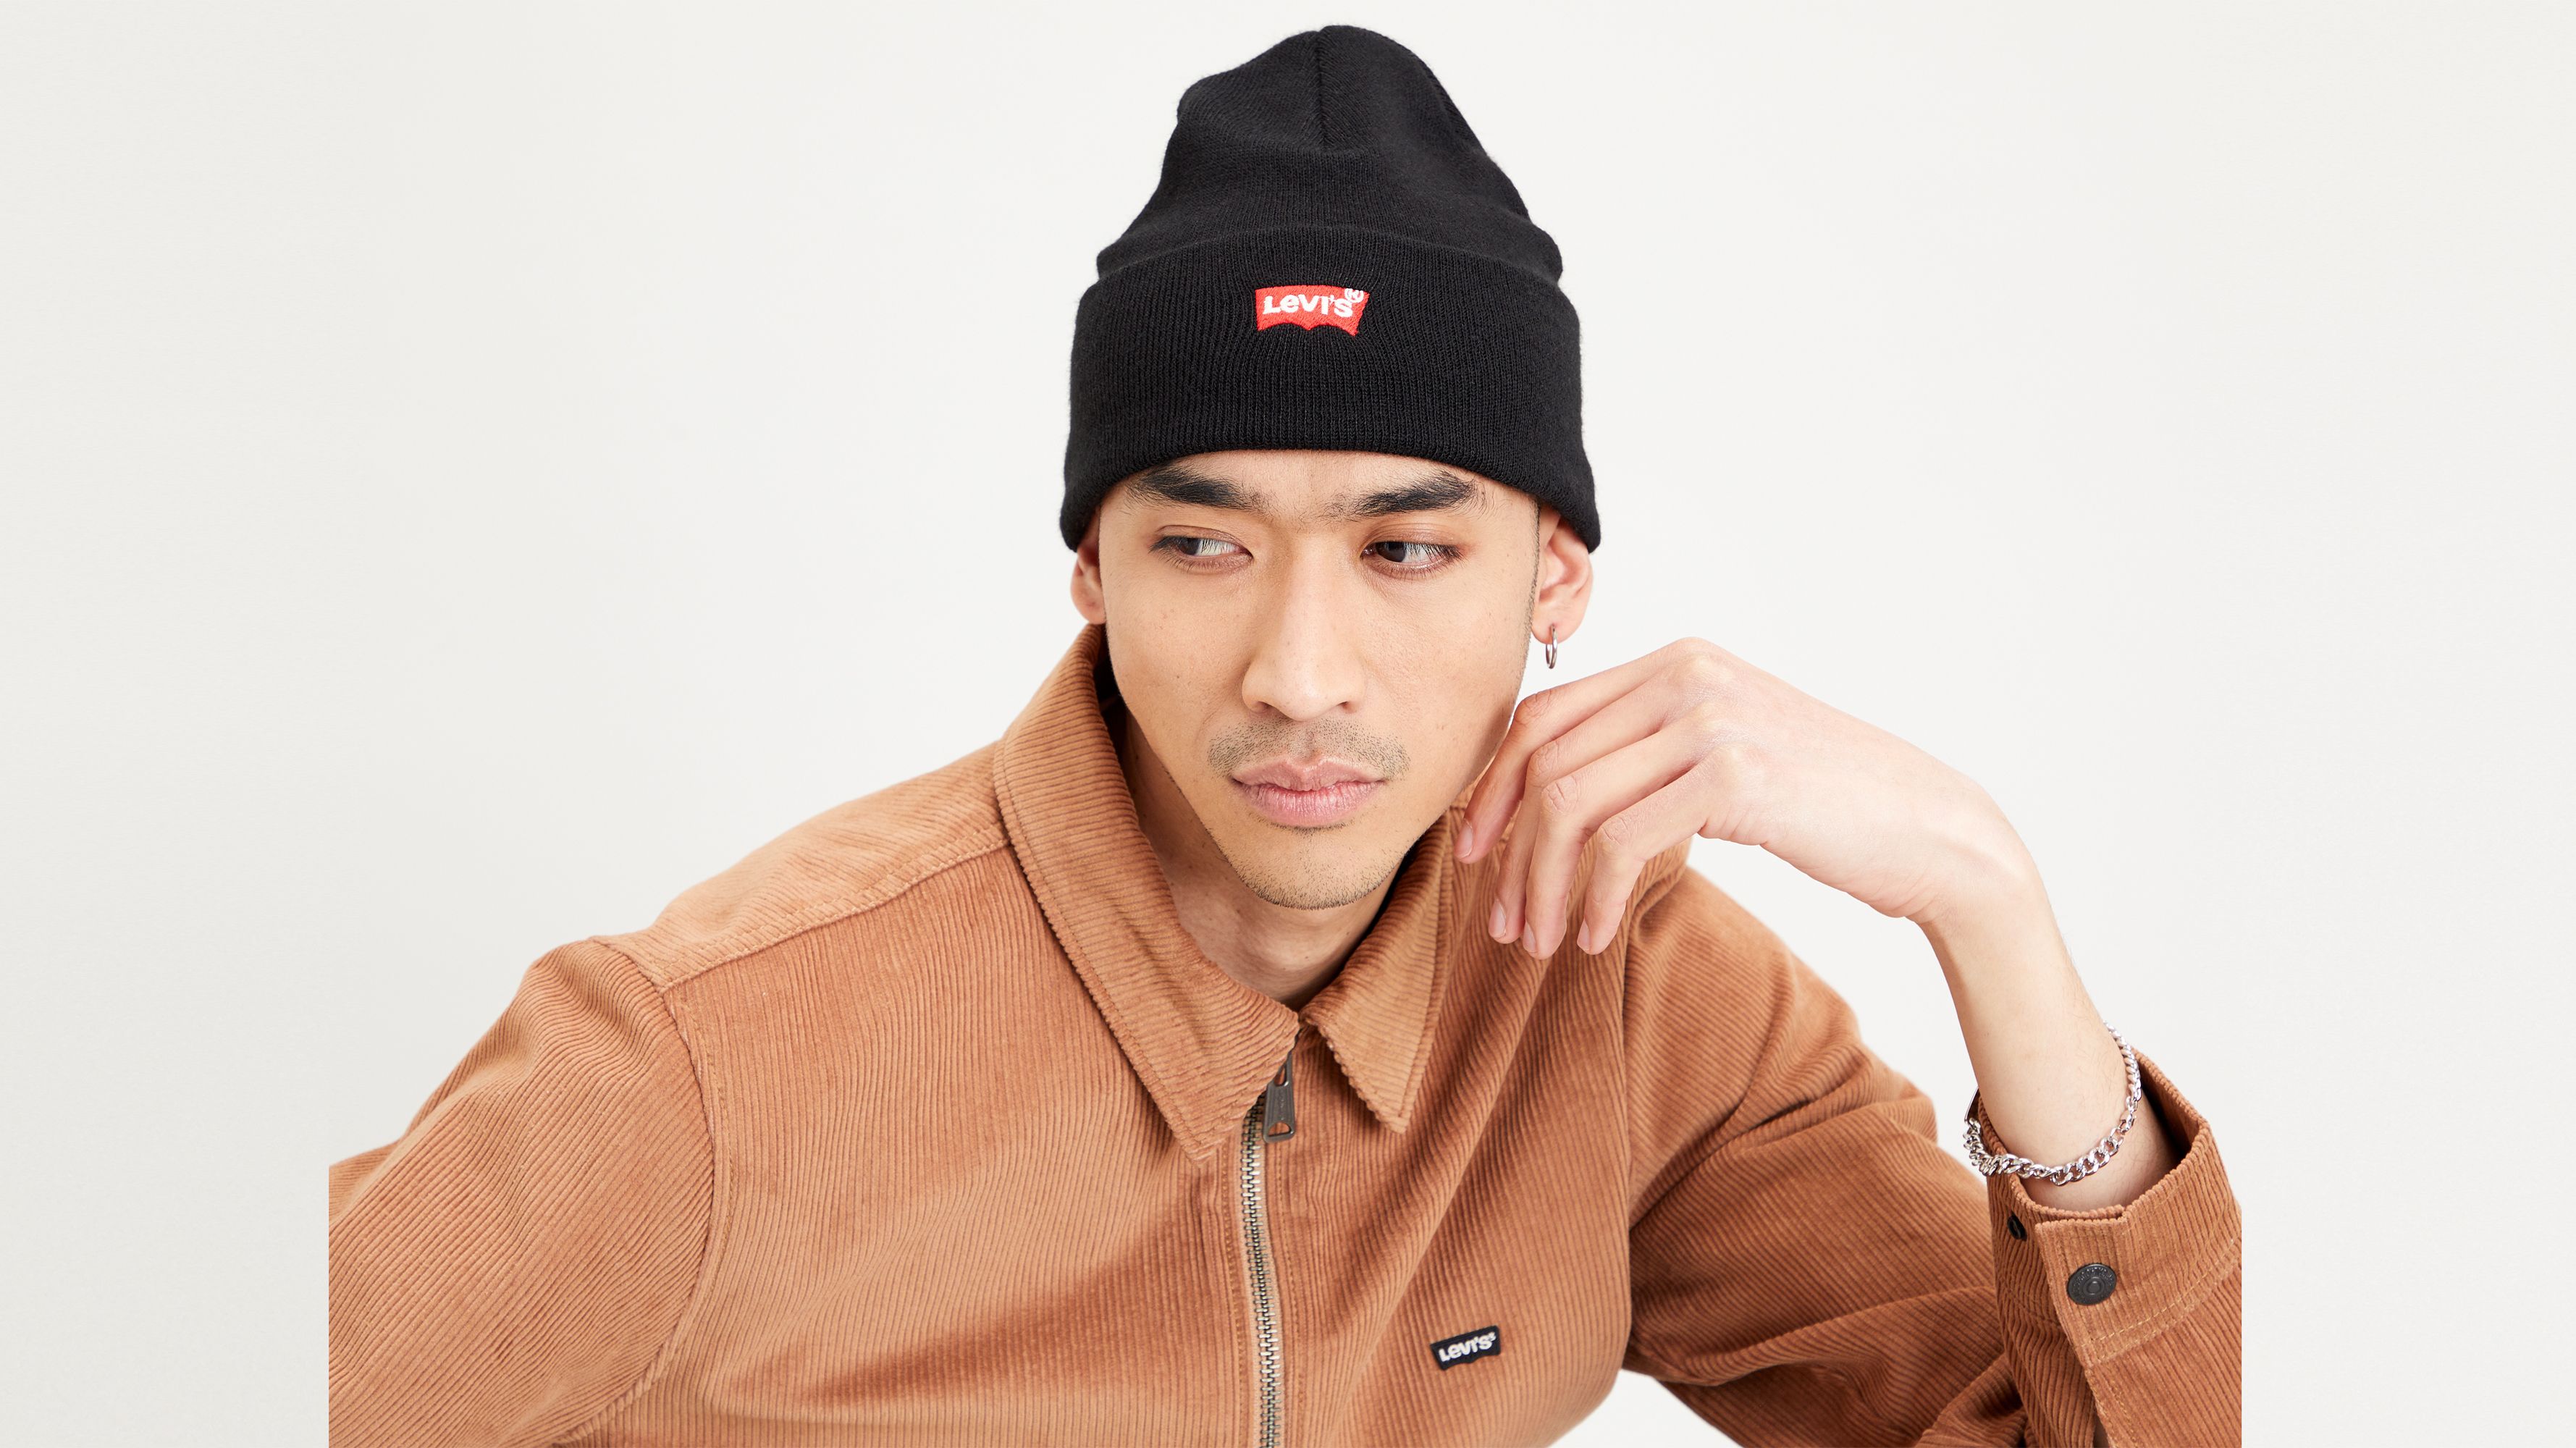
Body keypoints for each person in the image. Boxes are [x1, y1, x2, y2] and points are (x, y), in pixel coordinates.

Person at [328, 25, 2239, 1447]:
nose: (1303, 673)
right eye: (1204, 544)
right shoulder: (697, 1057)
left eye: (1406, 548)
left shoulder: (1626, 995)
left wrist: (1987, 899)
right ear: (1093, 568)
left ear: (1556, 573)